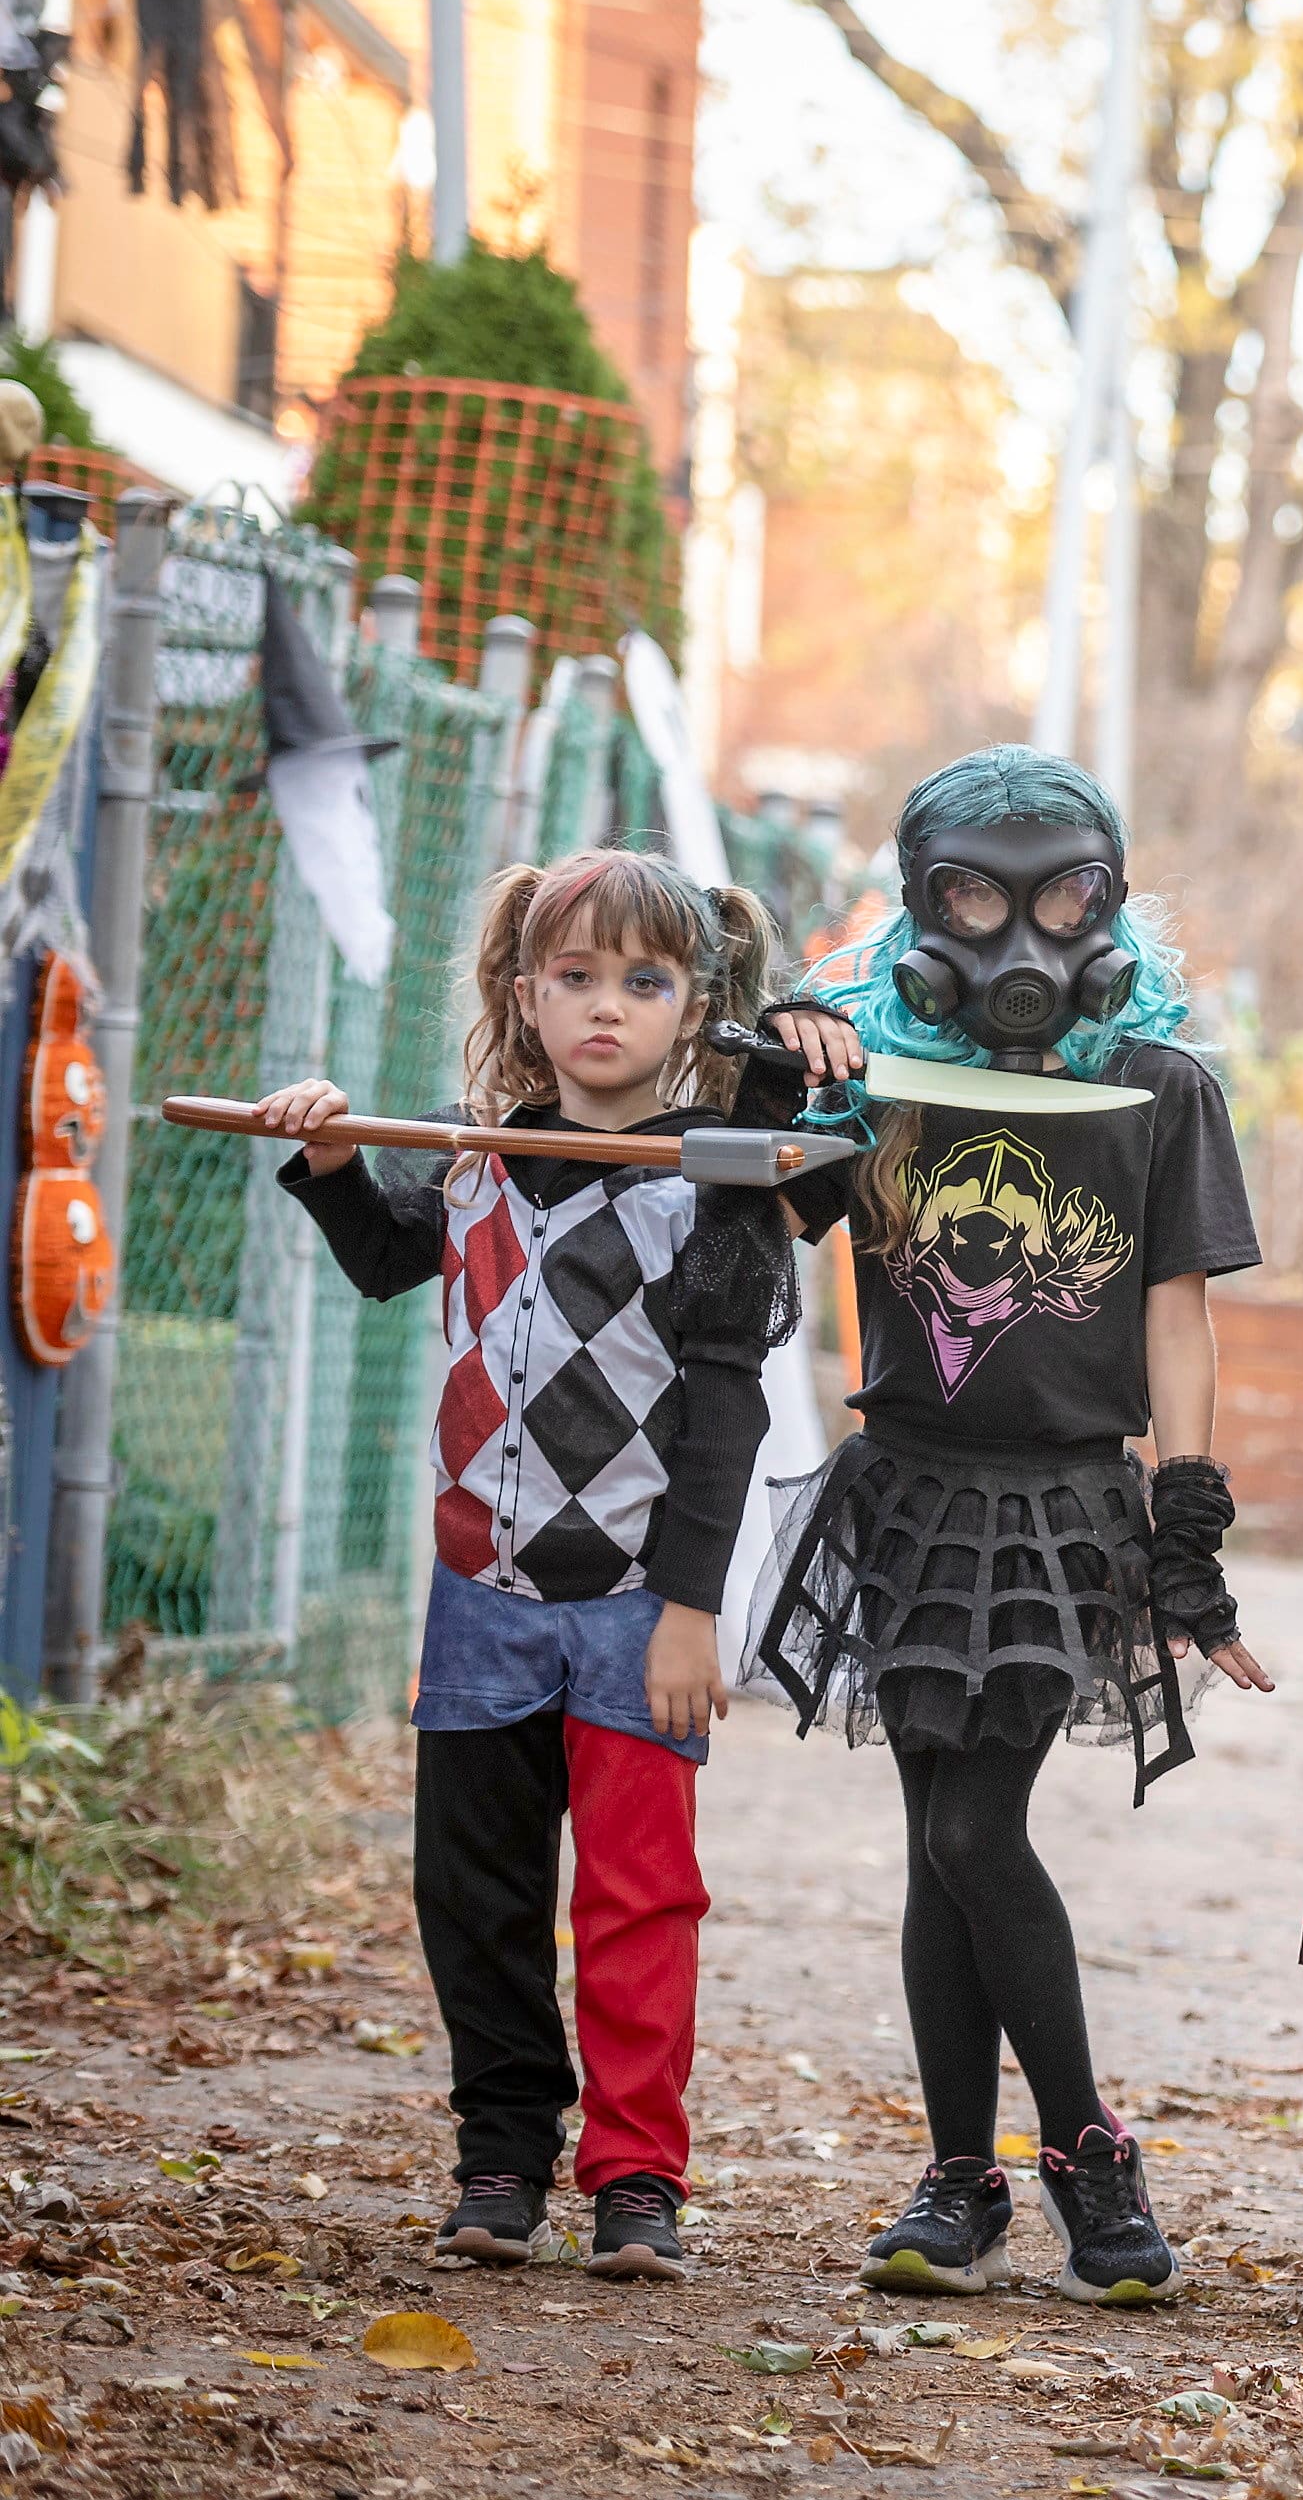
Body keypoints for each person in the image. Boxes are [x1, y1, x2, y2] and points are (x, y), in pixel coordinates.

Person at [750, 746, 1268, 2307]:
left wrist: (1187, 1534)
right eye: (972, 892)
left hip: (1060, 1504)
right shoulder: (880, 1072)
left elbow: (1179, 1324)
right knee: (933, 1845)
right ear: (918, 902)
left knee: (977, 1828)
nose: (1015, 934)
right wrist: (790, 1075)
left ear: (1110, 904)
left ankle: (1087, 2156)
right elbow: (772, 1226)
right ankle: (960, 2182)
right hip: (906, 1485)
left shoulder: (1161, 1086)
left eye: (1059, 896)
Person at [253, 848, 798, 2283]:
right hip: (480, 1599)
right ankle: (501, 2156)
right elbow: (384, 1257)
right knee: (474, 1896)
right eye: (575, 977)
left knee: (637, 1898)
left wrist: (692, 1612)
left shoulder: (713, 1188)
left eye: (645, 980)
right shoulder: (475, 1152)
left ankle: (637, 2182)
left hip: (634, 1608)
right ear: (523, 991)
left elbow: (728, 1406)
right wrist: (327, 1160)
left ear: (695, 1007)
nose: (606, 1008)